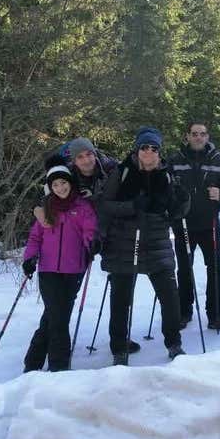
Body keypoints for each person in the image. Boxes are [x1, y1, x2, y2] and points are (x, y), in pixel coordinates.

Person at [33, 137, 141, 355]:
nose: (86, 160)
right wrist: (39, 211)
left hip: (115, 232)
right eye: (80, 157)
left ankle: (119, 340)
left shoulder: (112, 168)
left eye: (89, 154)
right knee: (62, 298)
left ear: (95, 152)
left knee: (121, 286)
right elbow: (45, 197)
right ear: (74, 160)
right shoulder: (67, 174)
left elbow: (127, 195)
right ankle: (43, 347)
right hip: (80, 237)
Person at [98, 127, 190, 365]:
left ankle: (174, 343)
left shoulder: (168, 175)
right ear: (137, 150)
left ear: (159, 152)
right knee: (121, 298)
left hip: (158, 241)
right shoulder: (122, 172)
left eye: (154, 148)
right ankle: (119, 348)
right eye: (144, 147)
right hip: (123, 242)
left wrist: (183, 201)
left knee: (169, 296)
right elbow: (104, 205)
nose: (149, 152)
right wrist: (131, 207)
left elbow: (176, 212)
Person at [22, 165, 97, 372]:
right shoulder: (46, 209)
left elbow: (89, 230)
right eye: (55, 184)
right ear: (50, 187)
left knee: (53, 316)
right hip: (48, 271)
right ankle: (59, 366)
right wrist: (29, 258)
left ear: (70, 183)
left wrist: (92, 243)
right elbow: (35, 237)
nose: (60, 188)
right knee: (59, 318)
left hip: (74, 270)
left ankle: (33, 363)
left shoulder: (83, 207)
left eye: (63, 183)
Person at [168, 121, 220, 331]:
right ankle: (184, 312)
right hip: (183, 224)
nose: (198, 137)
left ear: (207, 137)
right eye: (194, 133)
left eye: (202, 134)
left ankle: (215, 315)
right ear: (187, 136)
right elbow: (165, 188)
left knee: (215, 267)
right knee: (184, 269)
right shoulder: (175, 159)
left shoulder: (218, 159)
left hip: (209, 223)